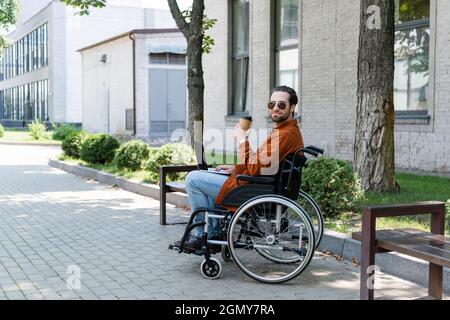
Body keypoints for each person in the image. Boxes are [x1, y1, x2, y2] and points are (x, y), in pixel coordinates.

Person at [183, 85, 305, 251]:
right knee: (208, 173)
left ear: (292, 107)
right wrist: (235, 167)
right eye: (272, 104)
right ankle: (213, 233)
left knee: (193, 179)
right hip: (258, 183)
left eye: (281, 105)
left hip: (253, 188)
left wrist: (242, 140)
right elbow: (262, 164)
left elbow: (256, 168)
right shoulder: (285, 131)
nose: (275, 108)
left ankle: (205, 234)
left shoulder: (285, 134)